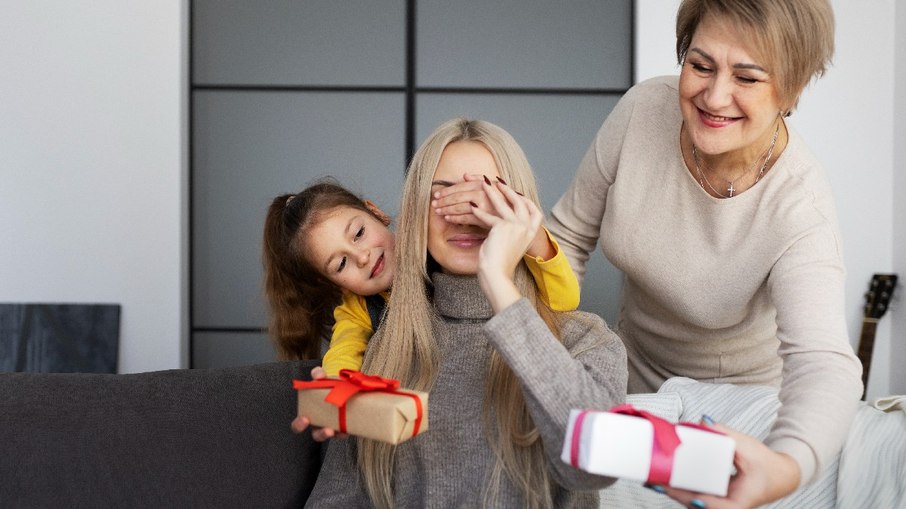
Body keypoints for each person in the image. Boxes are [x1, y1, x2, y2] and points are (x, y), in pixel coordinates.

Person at [448, 1, 861, 507]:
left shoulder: (801, 208)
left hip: (739, 409)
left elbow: (823, 362)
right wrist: (543, 368)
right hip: (632, 387)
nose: (715, 96)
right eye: (701, 65)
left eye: (747, 78)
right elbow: (568, 240)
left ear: (792, 89)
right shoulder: (645, 110)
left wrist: (788, 461)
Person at [299, 118, 628, 508]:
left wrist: (497, 279)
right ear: (416, 210)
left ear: (522, 212)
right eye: (445, 195)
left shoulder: (584, 340)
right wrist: (334, 393)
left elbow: (595, 465)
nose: (466, 213)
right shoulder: (382, 351)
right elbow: (337, 498)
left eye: (487, 195)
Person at [263, 179, 582, 377]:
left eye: (359, 233)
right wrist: (338, 386)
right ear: (333, 283)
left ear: (375, 212)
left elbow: (564, 300)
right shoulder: (359, 308)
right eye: (341, 263)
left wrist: (533, 235)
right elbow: (343, 354)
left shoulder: (444, 250)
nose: (362, 257)